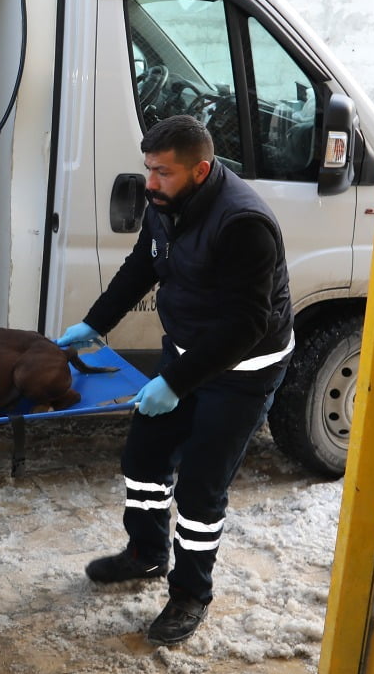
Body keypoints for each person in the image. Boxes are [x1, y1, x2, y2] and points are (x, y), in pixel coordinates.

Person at [56, 114, 293, 646]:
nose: (150, 183)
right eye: (147, 170)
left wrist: (175, 383)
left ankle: (190, 594)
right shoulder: (164, 205)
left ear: (201, 169)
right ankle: (145, 555)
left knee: (201, 491)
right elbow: (144, 263)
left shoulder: (243, 224)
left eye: (162, 172)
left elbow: (246, 326)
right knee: (143, 459)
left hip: (243, 371)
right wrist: (96, 323)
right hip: (186, 354)